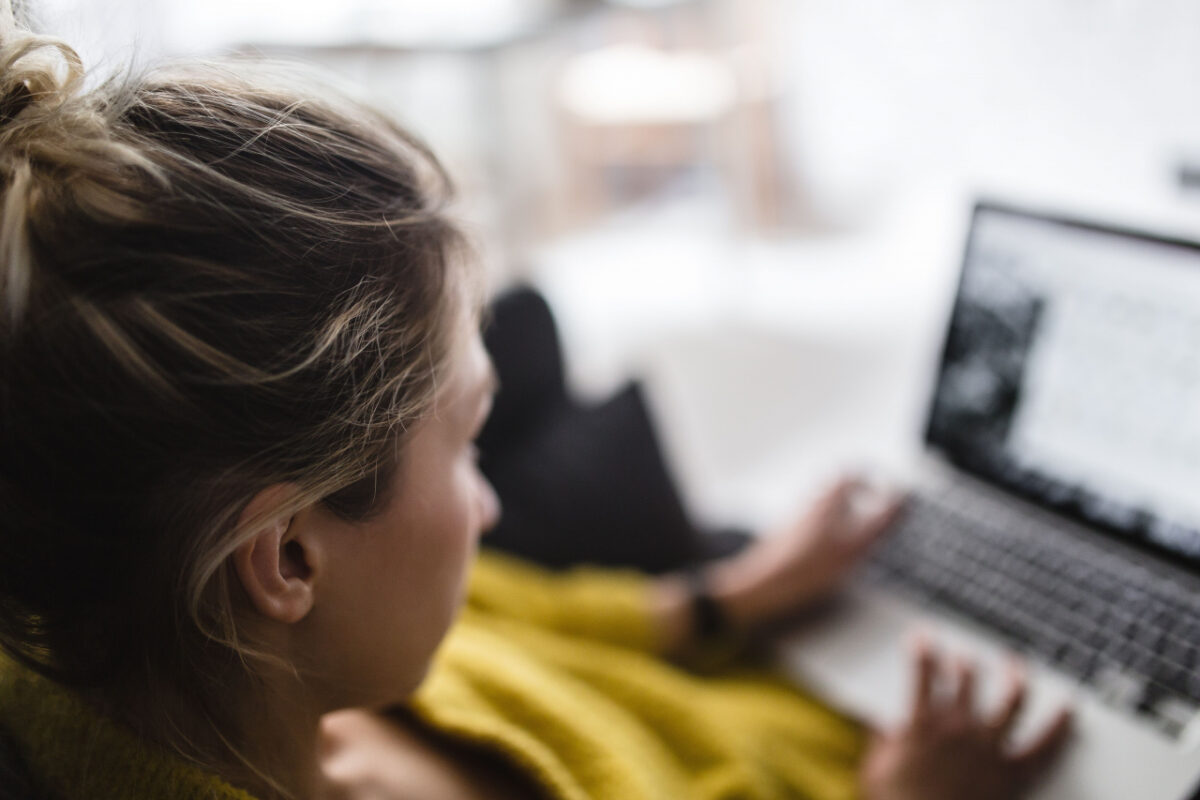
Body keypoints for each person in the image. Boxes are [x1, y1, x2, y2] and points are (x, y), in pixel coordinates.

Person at [0, 8, 1071, 800]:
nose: (490, 504)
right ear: (285, 559)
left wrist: (732, 596)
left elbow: (503, 613)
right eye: (467, 441)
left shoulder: (189, 651)